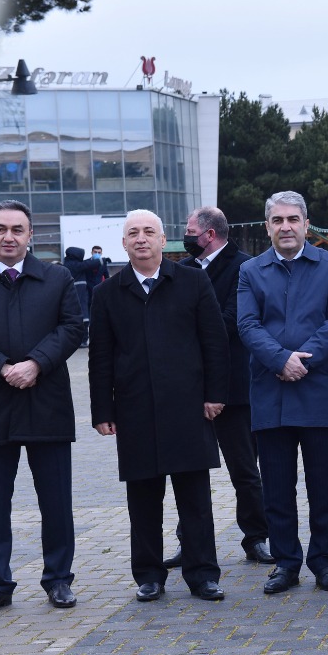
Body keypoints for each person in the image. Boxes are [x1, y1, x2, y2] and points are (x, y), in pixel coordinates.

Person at [88, 209, 229, 602]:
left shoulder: (192, 280)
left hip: (188, 408)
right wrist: (103, 411)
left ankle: (202, 574)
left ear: (162, 239)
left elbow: (214, 343)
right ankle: (149, 575)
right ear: (123, 242)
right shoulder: (107, 294)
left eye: (149, 231)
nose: (141, 238)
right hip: (135, 411)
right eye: (133, 232)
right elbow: (100, 357)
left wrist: (216, 394)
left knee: (195, 499)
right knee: (143, 500)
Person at [238, 191, 328, 594]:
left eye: (292, 219)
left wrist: (302, 360)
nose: (285, 227)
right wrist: (280, 359)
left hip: (316, 390)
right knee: (277, 486)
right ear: (267, 226)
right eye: (277, 220)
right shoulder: (251, 271)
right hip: (270, 392)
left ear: (306, 223)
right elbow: (247, 325)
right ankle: (286, 562)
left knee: (324, 484)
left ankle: (323, 560)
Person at [0, 200, 88, 614]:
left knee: (56, 500)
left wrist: (36, 363)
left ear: (30, 236)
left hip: (47, 404)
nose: (9, 237)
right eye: (1, 229)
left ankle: (58, 580)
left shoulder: (57, 277)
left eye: (17, 230)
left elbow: (73, 327)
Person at [162, 206, 272, 569]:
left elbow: (234, 320)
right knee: (189, 470)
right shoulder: (184, 271)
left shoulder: (245, 267)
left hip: (234, 386)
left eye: (190, 230)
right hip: (191, 387)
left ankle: (256, 538)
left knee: (244, 468)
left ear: (209, 234)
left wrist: (186, 337)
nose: (186, 235)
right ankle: (189, 542)